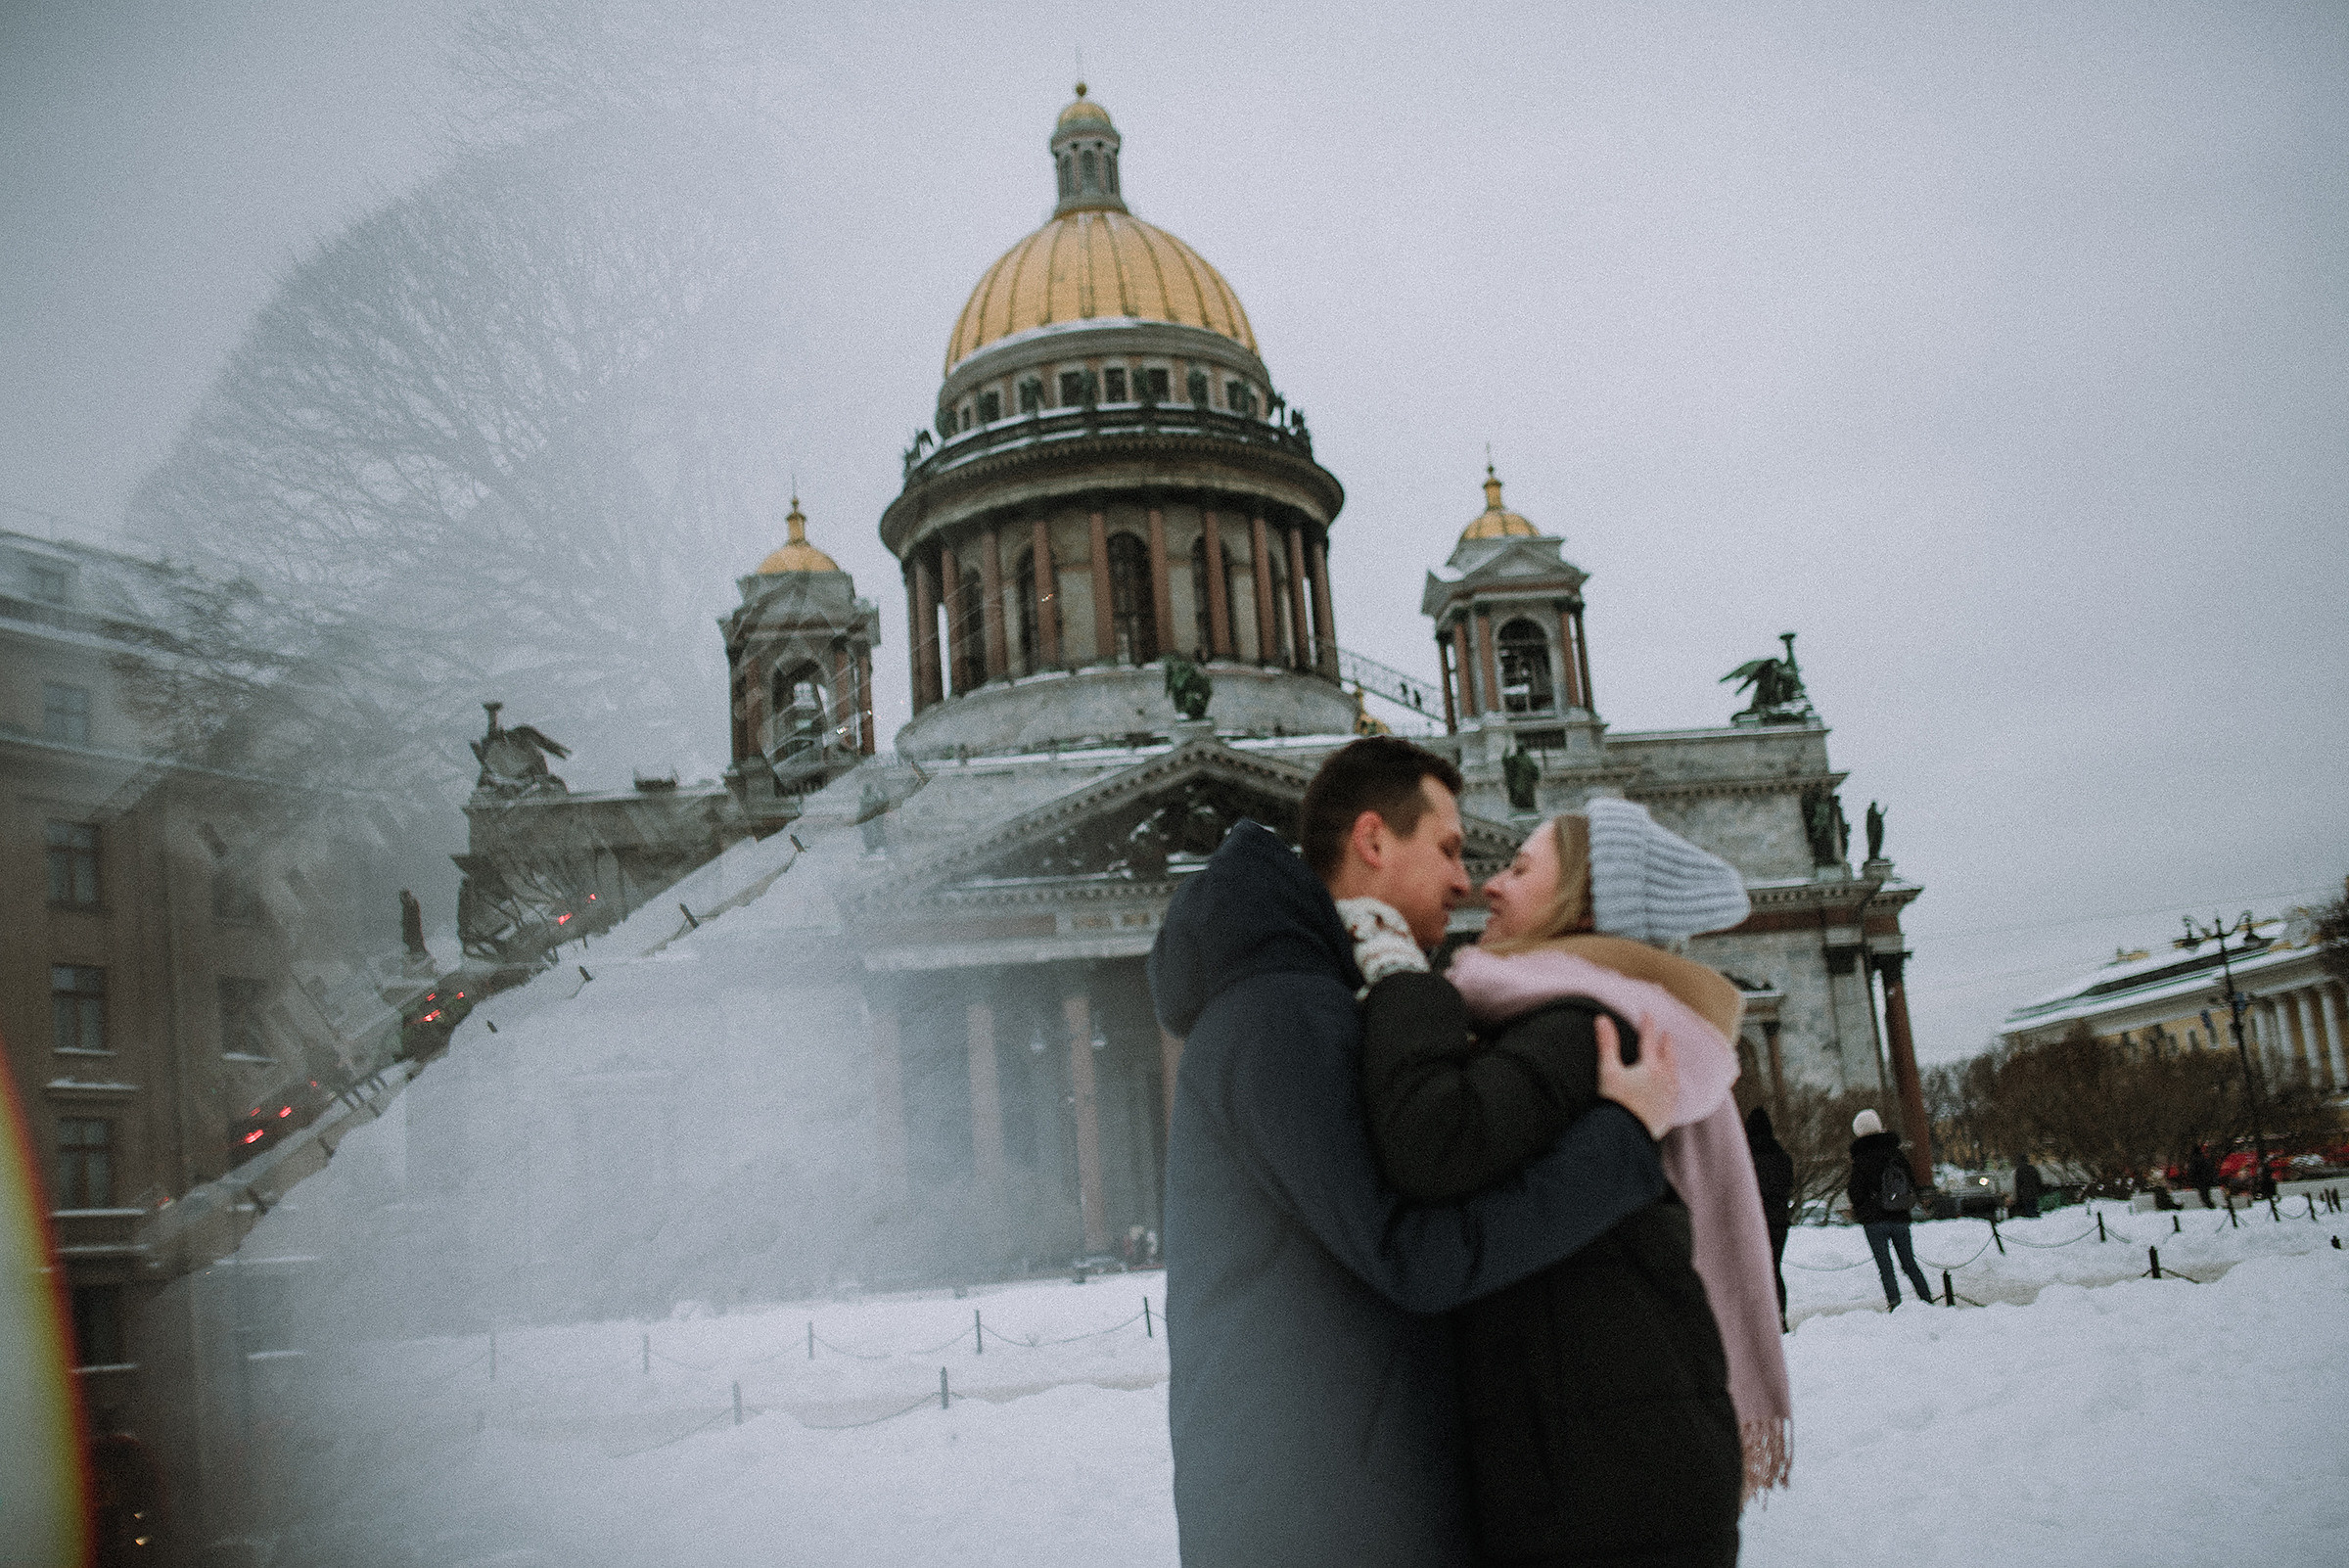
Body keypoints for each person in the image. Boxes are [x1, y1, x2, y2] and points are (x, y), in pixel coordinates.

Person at [1148, 739, 1684, 1568]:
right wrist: (1619, 1144)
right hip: (1322, 1521)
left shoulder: (1317, 998)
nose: (1466, 882)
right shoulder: (1286, 1015)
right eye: (1448, 849)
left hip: (1333, 1499)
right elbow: (1411, 1256)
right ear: (1372, 841)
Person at [1349, 801, 1790, 1567]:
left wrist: (1396, 981)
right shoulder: (1612, 1019)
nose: (1487, 885)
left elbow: (1438, 1144)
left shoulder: (1583, 1028)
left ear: (1580, 902)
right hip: (1619, 1463)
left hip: (1600, 1486)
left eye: (1519, 869)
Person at [1849, 1110, 1934, 1310]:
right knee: (1909, 1263)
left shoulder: (1860, 1158)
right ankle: (1926, 1300)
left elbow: (1855, 1190)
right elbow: (1910, 1180)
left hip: (1874, 1220)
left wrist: (1864, 1208)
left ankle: (1895, 1304)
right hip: (1899, 1215)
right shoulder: (1895, 1152)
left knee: (1885, 1267)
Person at [1745, 1105, 1795, 1330]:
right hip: (1780, 1222)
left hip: (1755, 1223)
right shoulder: (1782, 1157)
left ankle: (1762, 1320)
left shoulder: (1746, 1158)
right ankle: (1780, 1316)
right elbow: (1788, 1186)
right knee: (1775, 1268)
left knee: (1757, 1272)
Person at [2011, 1156, 2046, 1221]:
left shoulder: (2019, 1170)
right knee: (2034, 1206)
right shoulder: (2032, 1168)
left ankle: (2032, 1219)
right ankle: (2037, 1219)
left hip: (2024, 1194)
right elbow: (2038, 1180)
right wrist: (2039, 1190)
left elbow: (2018, 1184)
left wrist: (2018, 1196)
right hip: (2034, 1192)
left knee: (2029, 1208)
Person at [2186, 1143, 2217, 1209]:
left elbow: (2191, 1171)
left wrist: (2192, 1180)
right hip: (2206, 1180)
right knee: (2206, 1194)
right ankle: (2210, 1206)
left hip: (2200, 1181)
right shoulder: (2204, 1159)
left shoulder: (2193, 1160)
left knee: (2204, 1195)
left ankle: (2210, 1206)